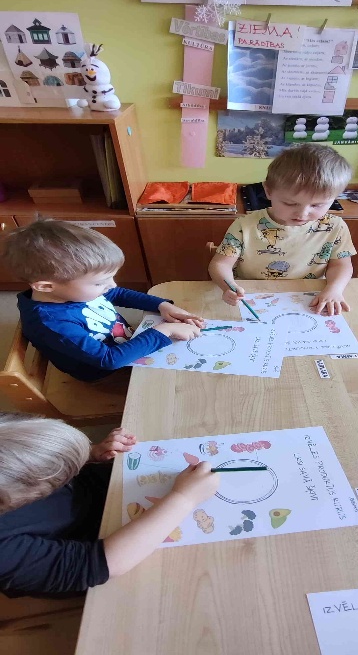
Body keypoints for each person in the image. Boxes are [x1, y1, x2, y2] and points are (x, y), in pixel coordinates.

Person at [0, 412, 219, 597]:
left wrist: (90, 454)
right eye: (57, 473)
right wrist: (184, 498)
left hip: (101, 493)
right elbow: (96, 564)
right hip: (102, 548)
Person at [1, 219, 203, 382]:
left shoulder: (69, 292)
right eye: (99, 283)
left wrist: (161, 305)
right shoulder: (52, 323)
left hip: (125, 344)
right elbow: (109, 360)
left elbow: (117, 293)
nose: (112, 285)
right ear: (46, 286)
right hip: (108, 372)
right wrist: (164, 331)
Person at [209, 144, 355, 316]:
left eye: (317, 205)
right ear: (268, 191)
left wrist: (335, 289)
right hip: (251, 297)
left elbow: (341, 265)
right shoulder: (244, 225)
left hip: (308, 299)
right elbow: (220, 264)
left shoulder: (335, 227)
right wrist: (228, 287)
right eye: (290, 203)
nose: (302, 213)